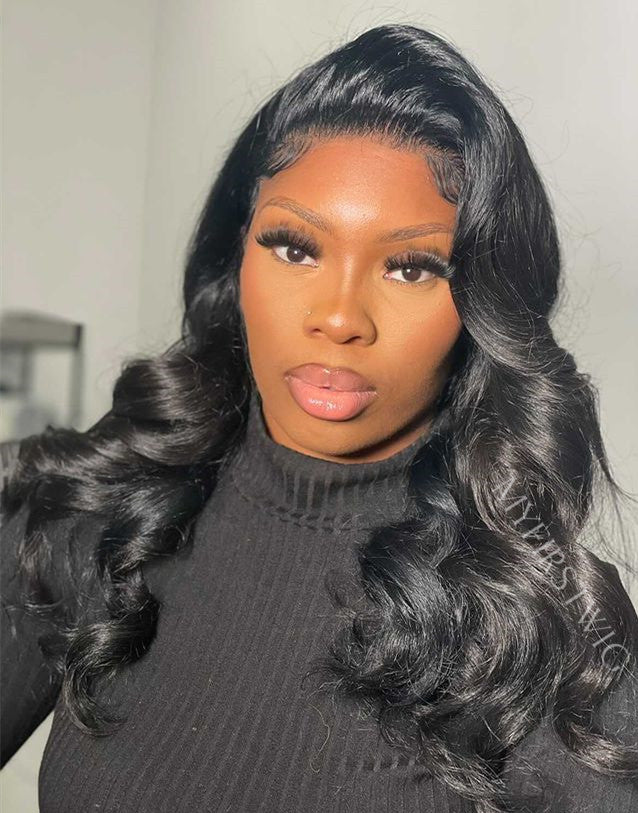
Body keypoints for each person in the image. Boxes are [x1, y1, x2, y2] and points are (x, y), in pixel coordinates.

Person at [1, 22, 637, 813]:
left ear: (481, 307)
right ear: (235, 259)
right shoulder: (98, 516)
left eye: (411, 267)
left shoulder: (546, 624)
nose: (339, 317)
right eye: (295, 248)